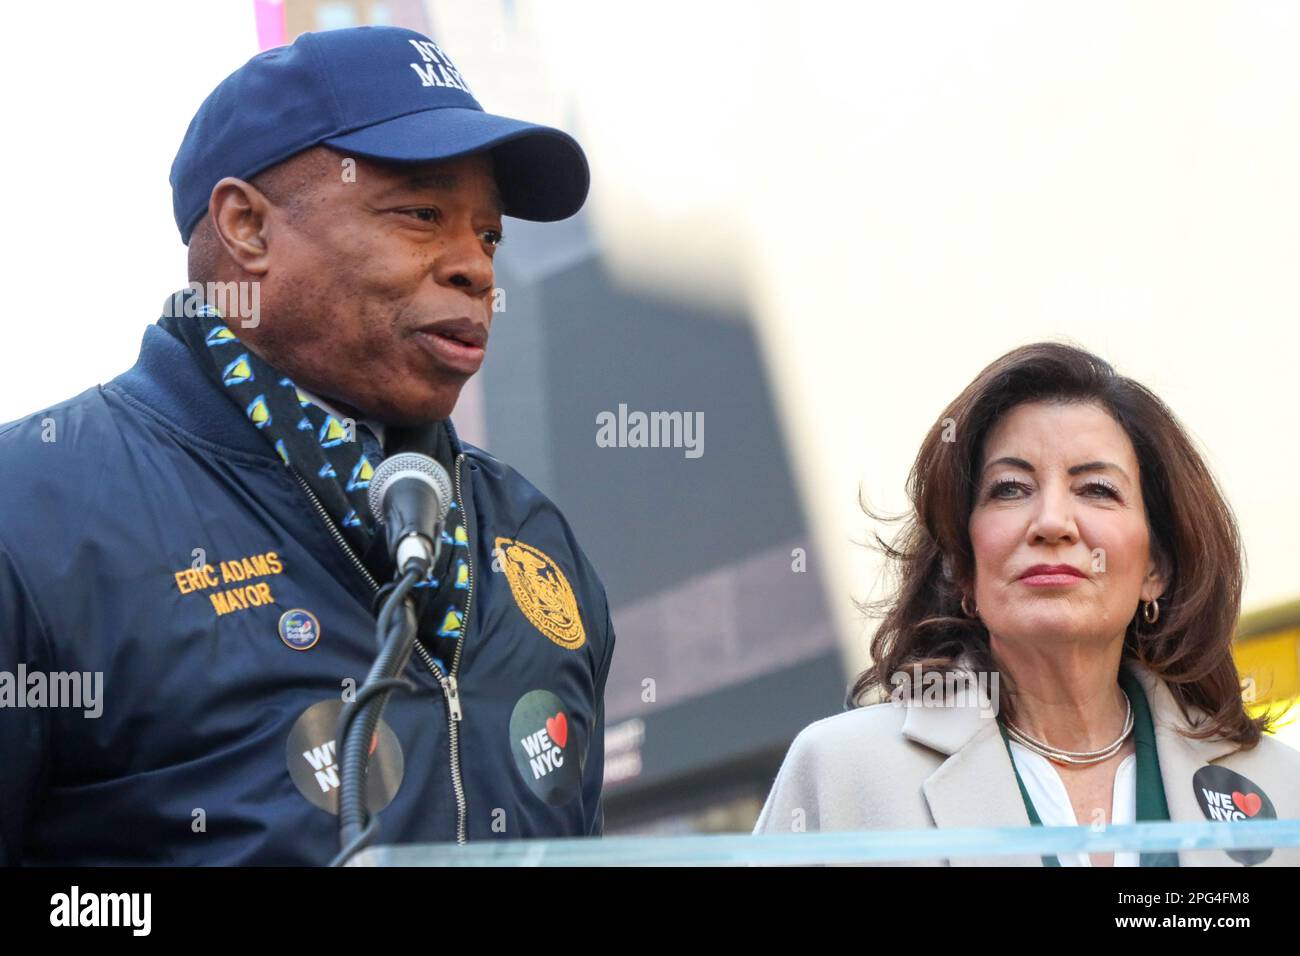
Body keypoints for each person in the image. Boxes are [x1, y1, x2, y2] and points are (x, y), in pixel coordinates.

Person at [0, 25, 614, 865]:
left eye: (490, 234)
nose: (476, 266)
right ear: (247, 227)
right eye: (423, 215)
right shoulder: (31, 511)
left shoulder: (533, 537)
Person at [754, 342, 1299, 866]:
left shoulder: (1280, 790)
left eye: (1096, 490)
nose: (1052, 523)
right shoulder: (842, 772)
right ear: (964, 566)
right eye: (1010, 488)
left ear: (1155, 568)